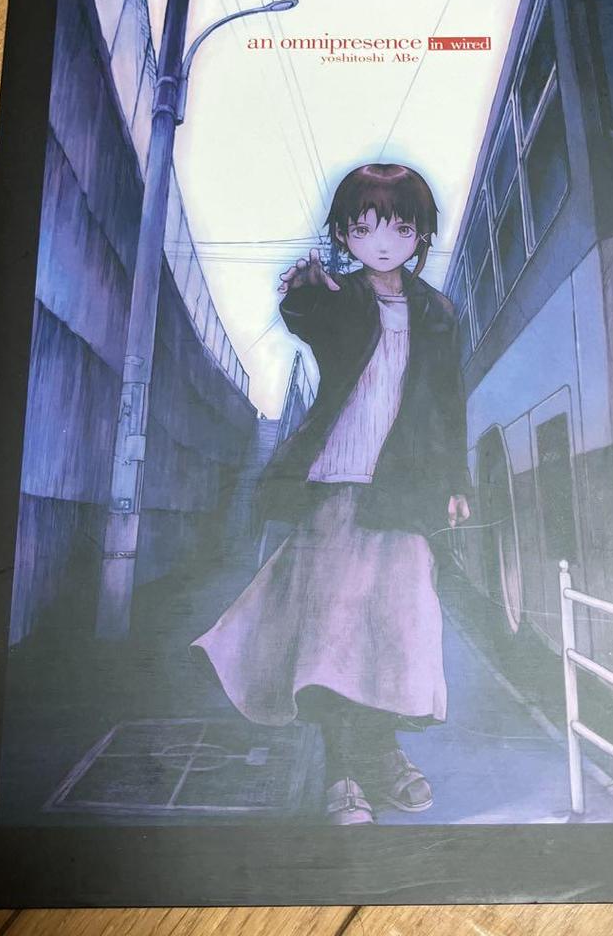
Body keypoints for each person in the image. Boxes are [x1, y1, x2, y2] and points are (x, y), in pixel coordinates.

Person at [191, 163, 472, 824]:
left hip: (402, 493)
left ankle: (383, 754)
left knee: (399, 633)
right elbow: (307, 321)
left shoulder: (437, 313)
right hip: (336, 485)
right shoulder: (341, 299)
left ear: (419, 234)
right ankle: (343, 770)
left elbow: (448, 405)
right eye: (364, 227)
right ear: (344, 234)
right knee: (332, 638)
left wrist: (456, 482)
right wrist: (302, 291)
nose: (382, 241)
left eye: (399, 227)